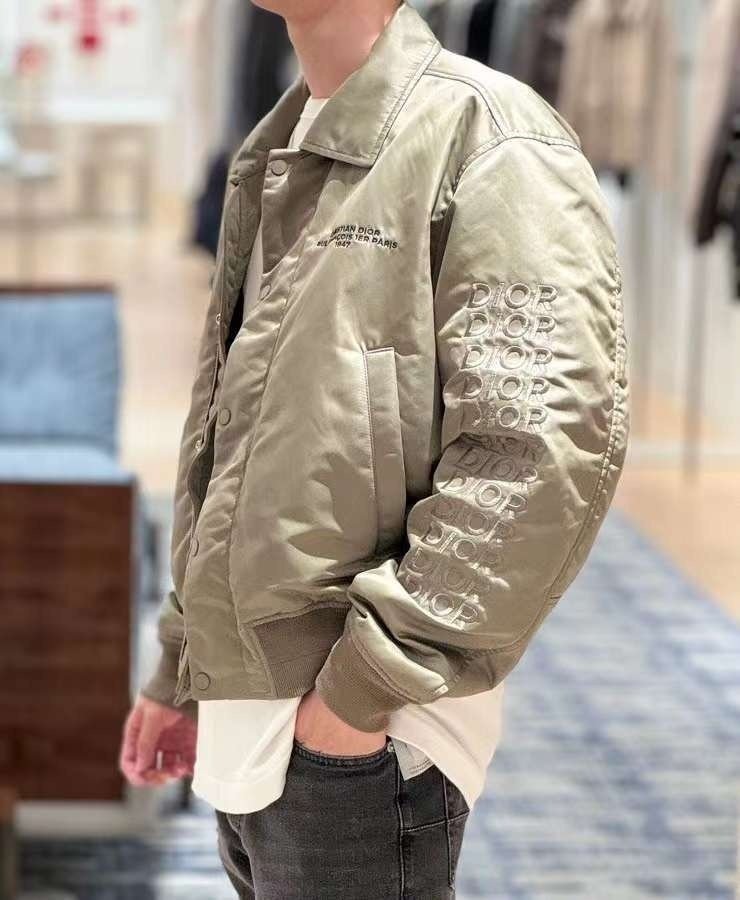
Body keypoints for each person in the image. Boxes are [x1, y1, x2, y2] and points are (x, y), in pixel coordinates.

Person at [119, 1, 629, 897]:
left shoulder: (488, 136)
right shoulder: (277, 143)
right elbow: (231, 438)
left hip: (366, 729)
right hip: (260, 719)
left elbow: (534, 454)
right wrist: (184, 664)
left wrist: (360, 693)